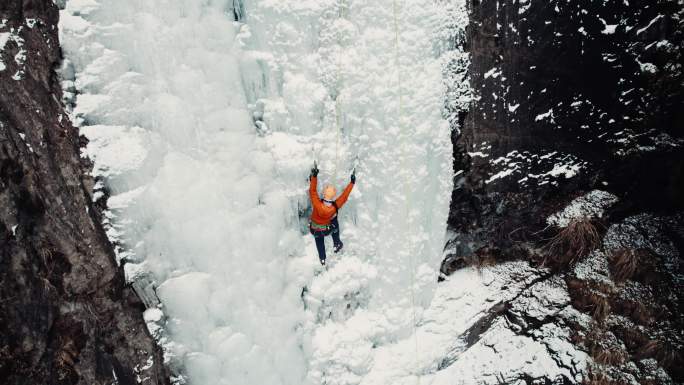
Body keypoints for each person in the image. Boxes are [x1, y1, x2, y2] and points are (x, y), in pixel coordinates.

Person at [308, 164, 355, 265]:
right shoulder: (335, 207)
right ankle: (337, 243)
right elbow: (344, 196)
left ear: (324, 194)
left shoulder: (317, 203)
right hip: (325, 230)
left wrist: (314, 176)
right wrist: (352, 183)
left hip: (314, 229)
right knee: (335, 225)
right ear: (333, 196)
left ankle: (322, 258)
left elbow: (312, 191)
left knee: (319, 241)